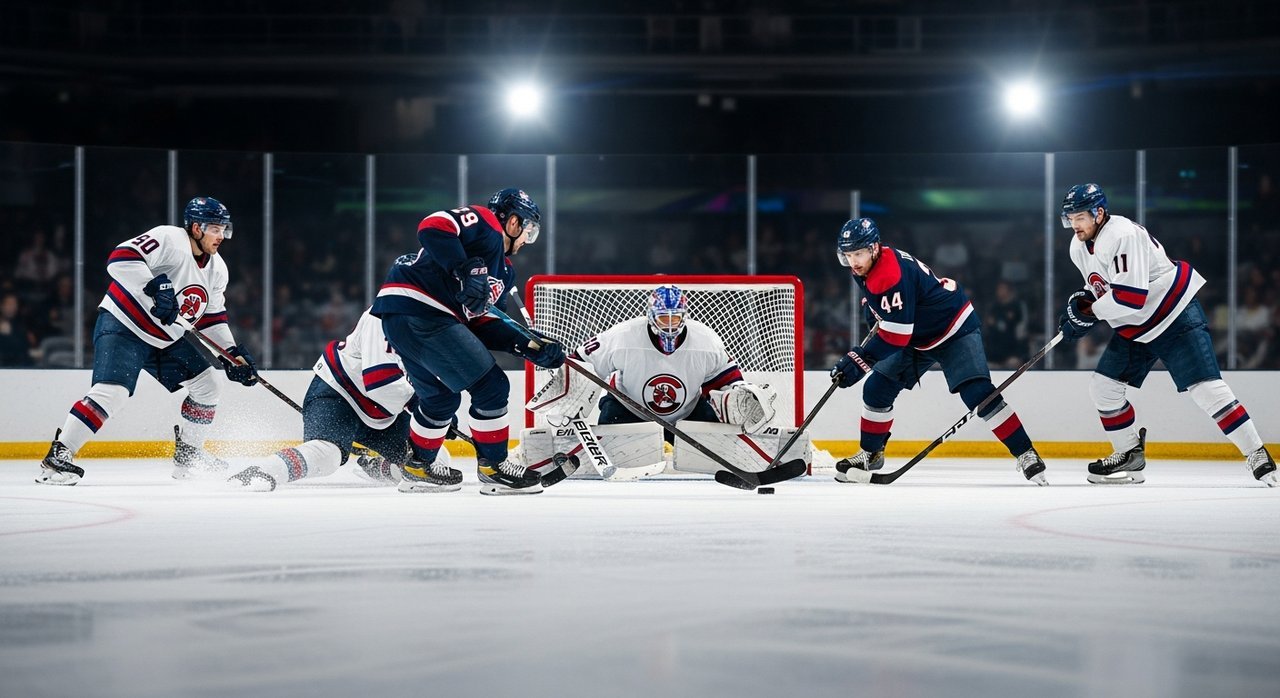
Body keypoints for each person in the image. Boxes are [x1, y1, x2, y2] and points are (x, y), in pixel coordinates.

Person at [1056, 183, 1276, 486]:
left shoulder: (1122, 234)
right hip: (1137, 326)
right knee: (1103, 388)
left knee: (1207, 389)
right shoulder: (1077, 247)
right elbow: (1102, 288)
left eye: (1079, 217)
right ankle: (1129, 453)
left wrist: (1091, 313)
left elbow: (1130, 296)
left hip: (1174, 315)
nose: (1074, 225)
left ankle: (1256, 454)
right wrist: (1083, 304)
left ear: (1099, 213)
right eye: (1070, 218)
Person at [38, 197, 258, 485]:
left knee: (208, 385)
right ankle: (59, 456)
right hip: (125, 325)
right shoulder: (169, 238)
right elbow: (119, 258)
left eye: (224, 230)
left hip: (165, 338)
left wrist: (230, 355)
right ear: (195, 228)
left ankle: (188, 456)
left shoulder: (218, 270)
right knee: (112, 392)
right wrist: (155, 287)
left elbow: (211, 317)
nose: (221, 236)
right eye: (214, 229)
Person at [369, 188, 566, 495]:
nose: (527, 239)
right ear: (513, 222)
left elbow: (479, 321)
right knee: (492, 386)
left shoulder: (505, 271)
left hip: (404, 317)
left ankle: (418, 466)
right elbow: (433, 225)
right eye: (528, 229)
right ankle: (494, 466)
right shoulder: (486, 223)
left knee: (441, 399)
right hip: (424, 311)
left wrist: (526, 346)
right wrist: (463, 268)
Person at [828, 217, 1048, 485]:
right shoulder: (866, 267)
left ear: (874, 248)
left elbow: (897, 333)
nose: (853, 262)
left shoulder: (889, 271)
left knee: (979, 394)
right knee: (876, 388)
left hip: (953, 327)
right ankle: (871, 453)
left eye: (859, 253)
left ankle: (1026, 453)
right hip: (916, 333)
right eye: (848, 255)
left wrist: (860, 359)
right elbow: (886, 310)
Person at [524, 284, 790, 478]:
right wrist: (570, 393)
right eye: (665, 318)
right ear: (651, 317)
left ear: (685, 317)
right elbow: (581, 361)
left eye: (676, 318)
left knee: (722, 458)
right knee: (607, 460)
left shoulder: (706, 341)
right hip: (628, 409)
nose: (670, 325)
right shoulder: (623, 336)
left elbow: (725, 381)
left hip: (687, 412)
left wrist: (738, 398)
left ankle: (759, 457)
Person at [224, 300, 439, 493]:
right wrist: (428, 409)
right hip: (339, 393)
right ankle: (261, 471)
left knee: (431, 461)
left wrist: (438, 413)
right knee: (327, 456)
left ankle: (380, 467)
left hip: (382, 413)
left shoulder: (439, 324)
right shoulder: (387, 313)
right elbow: (380, 382)